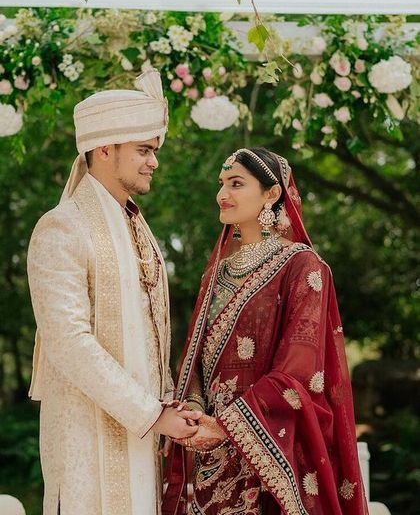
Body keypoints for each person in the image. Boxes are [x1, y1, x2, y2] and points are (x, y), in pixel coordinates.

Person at [27, 69, 201, 515]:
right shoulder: (63, 226)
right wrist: (150, 413)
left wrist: (167, 409)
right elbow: (68, 342)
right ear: (105, 149)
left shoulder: (137, 228)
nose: (154, 162)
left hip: (145, 436)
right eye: (144, 150)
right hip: (90, 441)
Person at [162, 148, 368, 514]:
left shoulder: (303, 267)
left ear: (272, 194)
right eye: (221, 183)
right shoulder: (216, 274)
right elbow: (196, 357)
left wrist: (226, 427)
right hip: (208, 458)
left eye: (236, 183)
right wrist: (193, 409)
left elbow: (298, 371)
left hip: (271, 457)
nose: (222, 194)